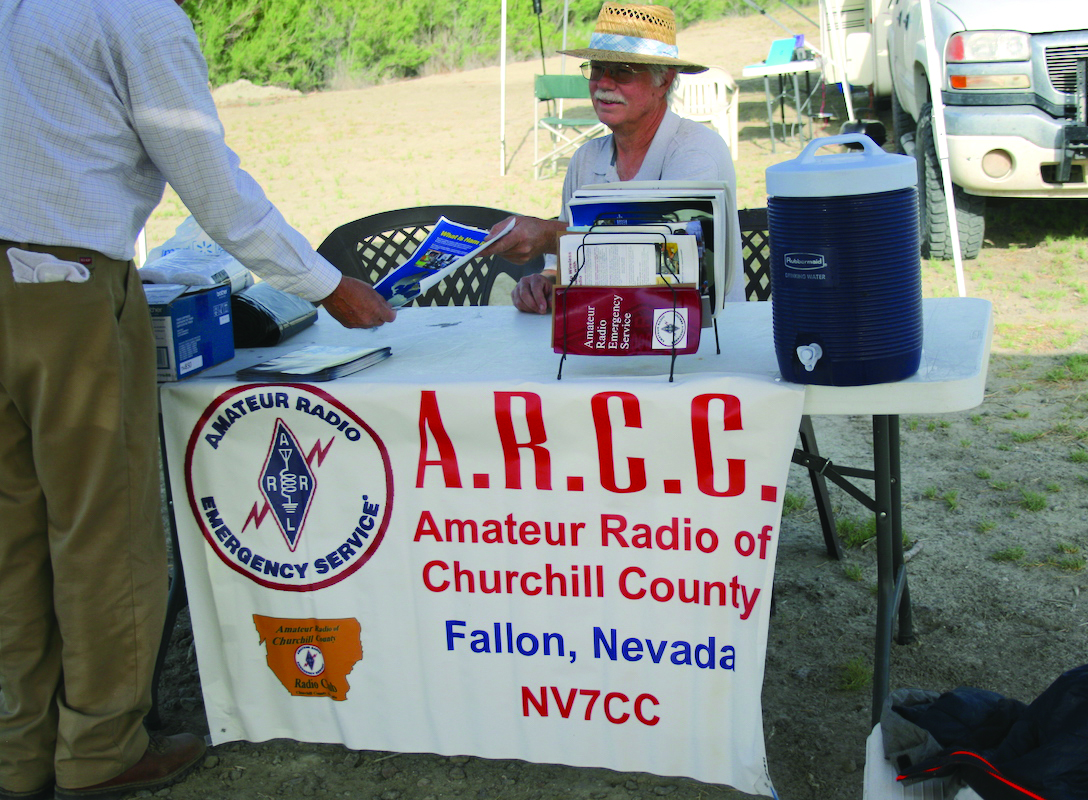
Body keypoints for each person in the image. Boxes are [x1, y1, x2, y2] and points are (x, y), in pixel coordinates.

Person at [0, 1, 396, 798]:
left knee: (12, 532)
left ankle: (18, 746)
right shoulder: (137, 17)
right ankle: (101, 748)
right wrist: (322, 283)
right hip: (65, 287)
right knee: (101, 529)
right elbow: (212, 183)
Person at [485, 2, 738, 313]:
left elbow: (673, 260)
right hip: (607, 332)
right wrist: (543, 283)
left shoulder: (695, 152)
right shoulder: (586, 159)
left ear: (665, 80)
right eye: (597, 69)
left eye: (622, 71)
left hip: (693, 343)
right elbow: (564, 267)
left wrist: (550, 235)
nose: (603, 83)